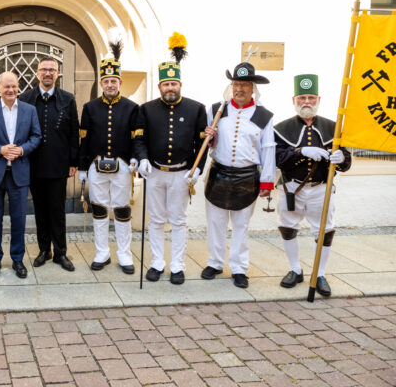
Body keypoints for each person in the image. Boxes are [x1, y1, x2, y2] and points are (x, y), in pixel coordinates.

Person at [274, 74, 351, 297]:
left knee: (325, 231)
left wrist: (341, 158)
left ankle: (320, 274)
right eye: (301, 98)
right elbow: (276, 158)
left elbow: (346, 160)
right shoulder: (281, 128)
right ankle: (295, 269)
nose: (306, 102)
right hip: (291, 188)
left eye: (310, 97)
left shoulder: (333, 127)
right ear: (293, 100)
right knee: (288, 227)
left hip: (321, 188)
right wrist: (300, 151)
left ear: (318, 99)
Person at [202, 61, 275, 288]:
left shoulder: (264, 116)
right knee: (215, 222)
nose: (239, 89)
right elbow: (206, 142)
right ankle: (214, 262)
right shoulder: (216, 110)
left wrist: (267, 182)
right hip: (219, 174)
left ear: (253, 88)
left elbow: (268, 149)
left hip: (247, 178)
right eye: (236, 84)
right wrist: (209, 135)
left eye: (244, 85)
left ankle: (239, 267)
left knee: (241, 225)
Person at [137, 57, 207, 285]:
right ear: (159, 87)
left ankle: (178, 265)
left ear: (180, 85)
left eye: (174, 84)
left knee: (178, 221)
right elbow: (140, 139)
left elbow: (202, 143)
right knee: (156, 220)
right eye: (166, 84)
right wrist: (142, 159)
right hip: (155, 172)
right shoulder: (146, 109)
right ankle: (157, 263)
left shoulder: (196, 109)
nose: (170, 88)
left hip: (181, 173)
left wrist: (198, 169)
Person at [78, 36, 142, 274]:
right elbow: (83, 139)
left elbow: (137, 137)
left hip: (123, 166)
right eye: (106, 81)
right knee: (99, 208)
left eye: (114, 80)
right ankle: (102, 252)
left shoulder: (132, 108)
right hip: (96, 167)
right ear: (101, 83)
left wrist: (136, 158)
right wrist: (82, 167)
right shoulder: (90, 107)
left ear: (120, 82)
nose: (110, 84)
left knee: (122, 210)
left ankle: (124, 255)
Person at [0, 71, 41, 279]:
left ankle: (17, 259)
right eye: (6, 87)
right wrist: (0, 150)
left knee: (19, 220)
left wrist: (21, 150)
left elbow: (36, 136)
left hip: (19, 173)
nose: (10, 90)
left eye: (14, 86)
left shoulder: (29, 111)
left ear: (18, 87)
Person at [19, 57, 79, 271]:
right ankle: (44, 250)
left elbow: (74, 133)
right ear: (37, 73)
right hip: (33, 165)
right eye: (44, 69)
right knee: (40, 209)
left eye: (52, 70)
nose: (47, 73)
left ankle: (60, 253)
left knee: (57, 209)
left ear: (57, 74)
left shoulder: (68, 99)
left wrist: (74, 161)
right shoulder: (25, 99)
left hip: (59, 165)